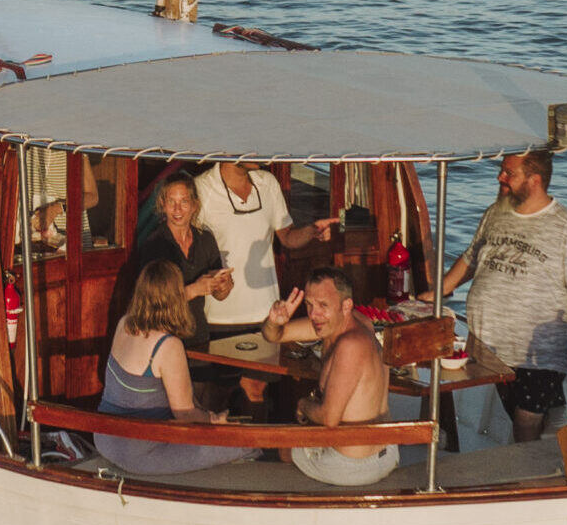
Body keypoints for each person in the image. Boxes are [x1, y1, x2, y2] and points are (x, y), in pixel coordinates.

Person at [421, 150, 567, 443]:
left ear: (534, 180)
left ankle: (527, 478)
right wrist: (438, 291)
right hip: (490, 346)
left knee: (525, 420)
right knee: (520, 409)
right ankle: (549, 452)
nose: (499, 177)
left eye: (509, 173)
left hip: (537, 352)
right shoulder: (495, 212)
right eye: (502, 171)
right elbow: (470, 258)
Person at [93, 262, 261, 476]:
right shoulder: (167, 345)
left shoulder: (124, 323)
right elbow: (185, 414)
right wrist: (216, 421)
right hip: (140, 452)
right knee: (248, 444)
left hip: (105, 438)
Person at [263, 268, 401, 487]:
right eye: (309, 304)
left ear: (346, 305)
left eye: (323, 305)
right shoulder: (346, 323)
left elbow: (329, 418)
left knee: (275, 446)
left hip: (352, 465)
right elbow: (275, 335)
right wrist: (275, 321)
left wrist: (302, 404)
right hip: (386, 453)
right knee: (295, 432)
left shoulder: (350, 345)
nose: (313, 314)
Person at [194, 162, 340, 334]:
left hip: (268, 316)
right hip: (218, 319)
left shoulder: (268, 182)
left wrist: (312, 231)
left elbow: (287, 237)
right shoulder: (201, 188)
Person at [133, 175, 233, 348]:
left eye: (184, 201)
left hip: (199, 336)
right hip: (164, 340)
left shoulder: (205, 239)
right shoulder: (155, 244)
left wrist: (223, 286)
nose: (177, 209)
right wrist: (195, 289)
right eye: (172, 202)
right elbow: (150, 302)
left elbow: (219, 295)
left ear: (195, 205)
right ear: (162, 205)